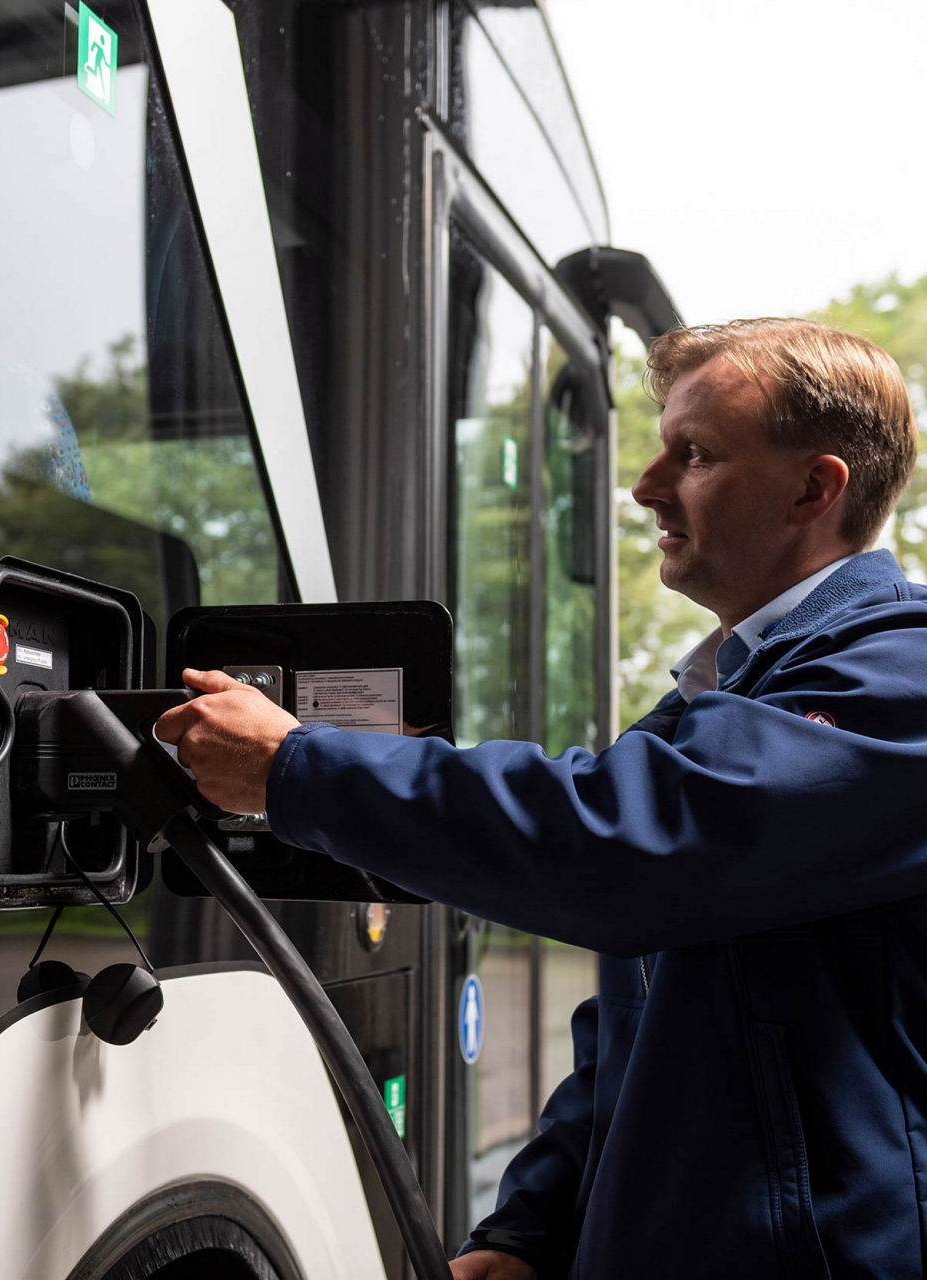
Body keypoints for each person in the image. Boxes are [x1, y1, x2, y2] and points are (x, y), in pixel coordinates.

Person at [156, 318, 927, 1279]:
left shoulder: (899, 679)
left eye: (694, 455)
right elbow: (639, 1032)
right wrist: (530, 1227)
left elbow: (623, 846)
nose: (646, 486)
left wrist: (298, 768)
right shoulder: (725, 696)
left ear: (815, 489)